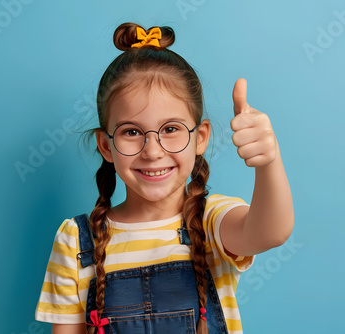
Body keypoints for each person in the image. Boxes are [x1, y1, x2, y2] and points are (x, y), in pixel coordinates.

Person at [35, 22, 293, 334]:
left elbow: (271, 232)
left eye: (170, 129)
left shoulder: (211, 221)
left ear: (200, 138)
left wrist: (269, 161)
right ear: (106, 145)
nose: (152, 151)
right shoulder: (75, 241)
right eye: (132, 132)